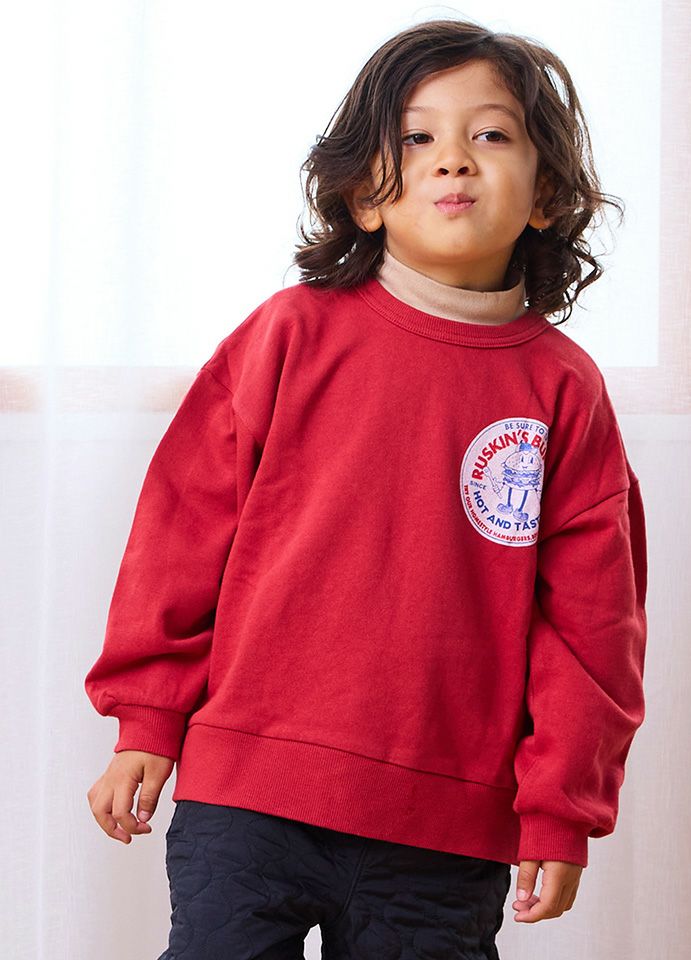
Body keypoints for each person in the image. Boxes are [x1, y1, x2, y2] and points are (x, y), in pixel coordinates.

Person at [84, 17, 648, 959]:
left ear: (547, 194)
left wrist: (562, 806)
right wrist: (148, 715)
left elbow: (593, 628)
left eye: (491, 134)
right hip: (249, 798)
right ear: (363, 194)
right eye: (417, 137)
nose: (453, 158)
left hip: (444, 830)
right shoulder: (289, 335)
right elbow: (180, 534)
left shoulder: (564, 390)